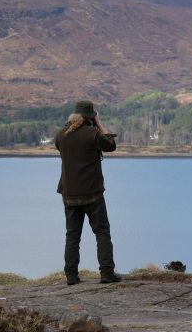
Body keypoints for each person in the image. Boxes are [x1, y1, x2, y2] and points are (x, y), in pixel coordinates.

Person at [55, 100, 122, 285]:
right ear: (90, 116)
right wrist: (99, 124)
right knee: (102, 232)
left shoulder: (61, 135)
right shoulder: (93, 133)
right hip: (92, 194)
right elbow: (110, 145)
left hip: (69, 194)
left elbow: (62, 147)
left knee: (72, 234)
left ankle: (71, 276)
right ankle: (107, 273)